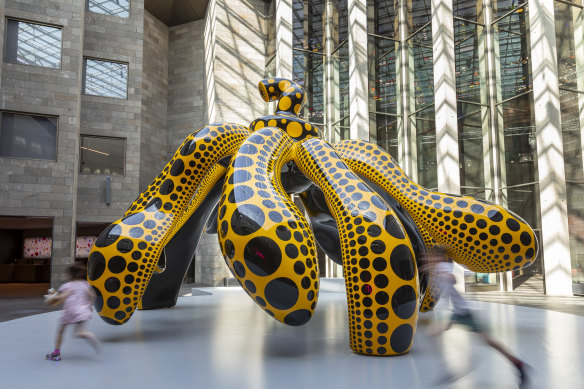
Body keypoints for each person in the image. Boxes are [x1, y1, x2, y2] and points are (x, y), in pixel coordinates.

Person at [422, 247, 529, 388]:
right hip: (457, 313)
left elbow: (452, 278)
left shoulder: (444, 268)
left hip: (466, 312)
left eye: (431, 257)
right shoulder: (438, 268)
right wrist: (428, 266)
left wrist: (448, 276)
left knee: (490, 342)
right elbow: (435, 269)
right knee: (432, 333)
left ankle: (518, 364)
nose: (429, 259)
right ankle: (448, 368)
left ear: (439, 258)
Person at [45, 262, 100, 361]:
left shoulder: (67, 285)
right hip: (83, 311)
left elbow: (62, 297)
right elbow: (93, 296)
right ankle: (89, 335)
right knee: (79, 332)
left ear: (70, 274)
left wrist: (52, 297)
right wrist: (90, 306)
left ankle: (56, 353)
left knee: (60, 331)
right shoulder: (85, 284)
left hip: (70, 311)